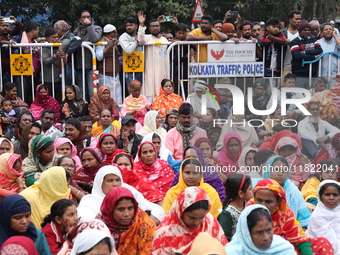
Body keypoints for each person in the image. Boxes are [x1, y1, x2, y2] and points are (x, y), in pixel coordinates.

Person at [249, 179, 334, 255]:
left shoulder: (285, 214)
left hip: (286, 249)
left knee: (322, 243)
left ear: (277, 202)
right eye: (259, 200)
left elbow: (300, 240)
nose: (263, 205)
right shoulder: (249, 212)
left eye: (268, 201)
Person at [153, 187, 228, 254]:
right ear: (181, 211)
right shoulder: (165, 233)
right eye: (192, 218)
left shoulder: (209, 221)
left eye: (201, 217)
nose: (197, 222)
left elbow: (222, 248)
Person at [253, 156, 311, 228]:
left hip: (287, 230)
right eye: (276, 169)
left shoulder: (292, 190)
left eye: (284, 171)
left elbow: (304, 218)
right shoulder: (255, 186)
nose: (280, 173)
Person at [98, 187, 156, 254]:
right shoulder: (99, 227)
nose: (127, 214)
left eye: (130, 208)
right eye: (121, 209)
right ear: (110, 209)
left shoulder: (143, 222)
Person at [226, 204, 296, 255]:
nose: (266, 238)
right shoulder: (233, 252)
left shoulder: (282, 248)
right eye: (259, 232)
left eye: (269, 230)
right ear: (246, 234)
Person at [73, 10, 102, 101]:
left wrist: (89, 26)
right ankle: (83, 110)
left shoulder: (97, 28)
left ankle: (93, 111)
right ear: (80, 19)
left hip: (91, 66)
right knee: (81, 91)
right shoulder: (77, 30)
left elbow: (94, 39)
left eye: (88, 17)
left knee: (92, 91)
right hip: (79, 65)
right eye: (84, 17)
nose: (86, 19)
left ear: (91, 18)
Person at [137, 13, 168, 98]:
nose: (155, 28)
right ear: (149, 28)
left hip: (163, 68)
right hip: (150, 68)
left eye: (157, 26)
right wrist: (141, 24)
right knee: (150, 88)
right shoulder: (147, 37)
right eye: (153, 26)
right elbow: (140, 39)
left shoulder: (164, 39)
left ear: (160, 27)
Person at [306, 180, 340, 254]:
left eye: (335, 195)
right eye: (327, 194)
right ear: (320, 197)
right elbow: (328, 242)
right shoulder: (317, 216)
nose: (331, 198)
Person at [218, 174, 253, 241]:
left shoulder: (248, 205)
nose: (252, 191)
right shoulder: (227, 214)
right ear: (241, 193)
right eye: (250, 189)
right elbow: (225, 238)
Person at [290, 20, 323, 89]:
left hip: (313, 74)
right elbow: (298, 56)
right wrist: (314, 57)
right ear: (300, 31)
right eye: (305, 30)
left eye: (308, 30)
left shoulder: (313, 39)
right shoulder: (294, 42)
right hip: (299, 74)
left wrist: (305, 52)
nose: (307, 32)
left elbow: (319, 50)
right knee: (300, 96)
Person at [95, 24, 122, 104]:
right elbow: (99, 56)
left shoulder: (114, 41)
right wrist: (109, 46)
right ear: (111, 33)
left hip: (115, 75)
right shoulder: (101, 42)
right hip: (105, 75)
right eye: (115, 32)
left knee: (117, 100)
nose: (116, 34)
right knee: (106, 98)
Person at [41, 29, 65, 102]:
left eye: (57, 37)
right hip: (48, 79)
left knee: (58, 100)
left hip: (58, 79)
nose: (56, 39)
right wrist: (55, 56)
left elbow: (67, 41)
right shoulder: (44, 47)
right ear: (47, 38)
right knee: (48, 99)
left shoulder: (59, 45)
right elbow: (46, 61)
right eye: (53, 37)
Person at [118, 16, 143, 87]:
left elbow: (145, 39)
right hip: (129, 68)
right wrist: (136, 42)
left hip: (141, 67)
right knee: (133, 91)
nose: (129, 27)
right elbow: (128, 50)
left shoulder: (140, 35)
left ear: (136, 26)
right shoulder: (123, 36)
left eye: (131, 25)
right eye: (127, 25)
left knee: (141, 91)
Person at [317, 22, 340, 88]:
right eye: (326, 29)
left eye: (330, 29)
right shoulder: (318, 42)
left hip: (335, 75)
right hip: (321, 74)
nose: (328, 31)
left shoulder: (337, 41)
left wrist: (335, 36)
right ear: (322, 32)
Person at [280, 10, 301, 77]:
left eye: (299, 19)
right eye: (296, 19)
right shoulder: (282, 33)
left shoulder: (301, 33)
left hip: (299, 66)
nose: (298, 21)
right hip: (286, 66)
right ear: (290, 19)